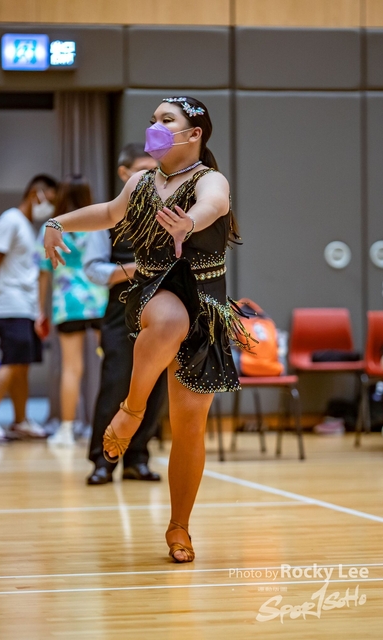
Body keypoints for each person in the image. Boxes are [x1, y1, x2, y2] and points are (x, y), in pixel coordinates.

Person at [44, 97, 253, 563]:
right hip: (155, 291)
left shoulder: (209, 179)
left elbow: (214, 205)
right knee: (169, 317)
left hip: (206, 307)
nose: (154, 126)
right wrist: (58, 222)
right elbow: (108, 213)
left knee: (189, 428)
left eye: (166, 120)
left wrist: (189, 222)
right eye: (153, 119)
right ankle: (133, 409)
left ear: (194, 133)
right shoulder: (140, 181)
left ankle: (179, 526)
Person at [83, 143, 165, 484]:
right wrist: (137, 268)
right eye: (145, 169)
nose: (152, 176)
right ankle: (103, 460)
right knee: (116, 382)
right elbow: (94, 270)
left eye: (156, 170)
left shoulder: (168, 212)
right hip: (120, 311)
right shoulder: (109, 216)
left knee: (155, 385)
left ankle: (137, 458)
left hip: (161, 312)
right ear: (124, 173)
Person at [0, 174, 58, 441]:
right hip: (9, 305)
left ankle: (20, 421)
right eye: (50, 200)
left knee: (22, 365)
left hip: (25, 308)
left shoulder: (27, 226)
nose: (50, 207)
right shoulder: (10, 220)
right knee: (11, 362)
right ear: (36, 194)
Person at [37, 175, 108, 446]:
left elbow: (44, 272)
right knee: (109, 364)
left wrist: (39, 310)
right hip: (99, 300)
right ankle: (105, 427)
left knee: (71, 368)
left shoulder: (51, 227)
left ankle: (66, 430)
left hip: (67, 304)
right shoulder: (99, 221)